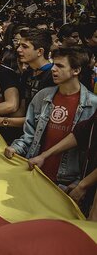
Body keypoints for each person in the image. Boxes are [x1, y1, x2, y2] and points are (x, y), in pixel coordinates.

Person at [5, 47, 97, 187]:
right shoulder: (43, 96)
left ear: (76, 70)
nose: (53, 69)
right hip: (35, 171)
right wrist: (16, 148)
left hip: (66, 182)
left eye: (60, 66)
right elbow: (30, 133)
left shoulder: (92, 104)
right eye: (54, 63)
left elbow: (90, 151)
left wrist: (79, 183)